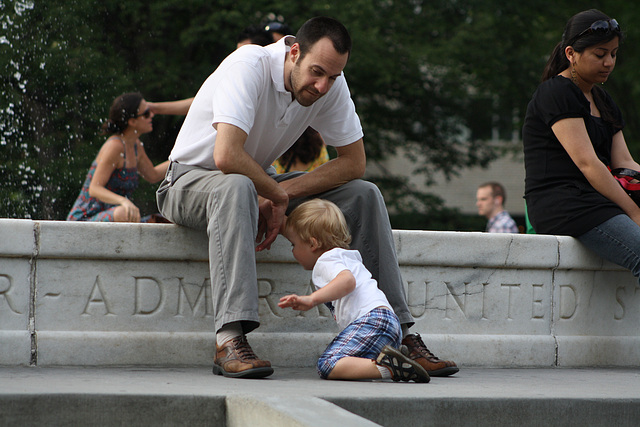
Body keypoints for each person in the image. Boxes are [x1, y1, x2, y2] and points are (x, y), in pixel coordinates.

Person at [156, 16, 458, 379]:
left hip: (258, 183)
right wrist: (275, 194)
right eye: (317, 72)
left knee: (363, 195)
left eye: (332, 76)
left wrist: (279, 194)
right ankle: (229, 339)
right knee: (236, 185)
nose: (322, 85)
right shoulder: (247, 65)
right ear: (294, 51)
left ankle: (400, 335)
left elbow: (354, 163)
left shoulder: (331, 82)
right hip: (188, 181)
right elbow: (227, 156)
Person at [523, 10, 640, 283]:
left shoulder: (602, 98)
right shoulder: (557, 92)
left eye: (613, 54)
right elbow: (589, 164)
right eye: (600, 55)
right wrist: (634, 212)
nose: (609, 62)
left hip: (597, 200)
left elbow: (625, 162)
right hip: (564, 204)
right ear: (571, 53)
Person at [278, 199, 430, 382]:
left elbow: (347, 281)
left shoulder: (326, 261)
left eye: (293, 244)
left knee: (329, 363)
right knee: (350, 361)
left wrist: (312, 299)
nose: (293, 251)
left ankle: (391, 368)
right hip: (388, 323)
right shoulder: (346, 257)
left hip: (372, 321)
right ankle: (394, 360)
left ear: (312, 244)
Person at [67, 92, 170, 223]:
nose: (151, 116)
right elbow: (94, 188)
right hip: (85, 219)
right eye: (146, 114)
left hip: (118, 215)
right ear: (132, 121)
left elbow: (153, 175)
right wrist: (123, 201)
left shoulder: (135, 145)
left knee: (164, 220)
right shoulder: (115, 146)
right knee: (124, 213)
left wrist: (184, 159)